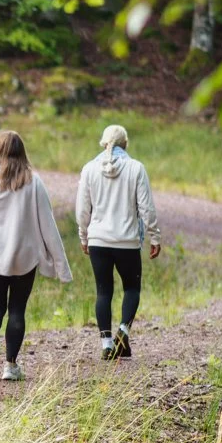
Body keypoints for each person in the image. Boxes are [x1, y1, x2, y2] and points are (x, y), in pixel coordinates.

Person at [0, 131, 72, 382]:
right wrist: (61, 266)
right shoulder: (33, 181)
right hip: (25, 258)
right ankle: (10, 366)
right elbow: (48, 224)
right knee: (17, 309)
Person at [76, 123, 162, 360]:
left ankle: (106, 344)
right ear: (126, 144)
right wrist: (154, 236)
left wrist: (84, 236)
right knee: (131, 288)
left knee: (103, 291)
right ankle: (123, 330)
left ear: (103, 144)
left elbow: (82, 210)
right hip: (127, 241)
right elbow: (146, 208)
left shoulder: (89, 169)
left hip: (98, 240)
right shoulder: (136, 168)